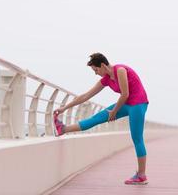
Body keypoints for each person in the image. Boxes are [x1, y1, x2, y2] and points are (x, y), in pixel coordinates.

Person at [53, 53, 149, 185]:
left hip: (138, 103)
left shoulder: (120, 70)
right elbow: (85, 96)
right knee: (96, 118)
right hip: (126, 104)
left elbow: (125, 94)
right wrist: (64, 107)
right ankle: (63, 129)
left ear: (103, 65)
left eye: (96, 70)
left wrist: (114, 112)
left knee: (137, 138)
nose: (96, 73)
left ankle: (141, 175)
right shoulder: (106, 79)